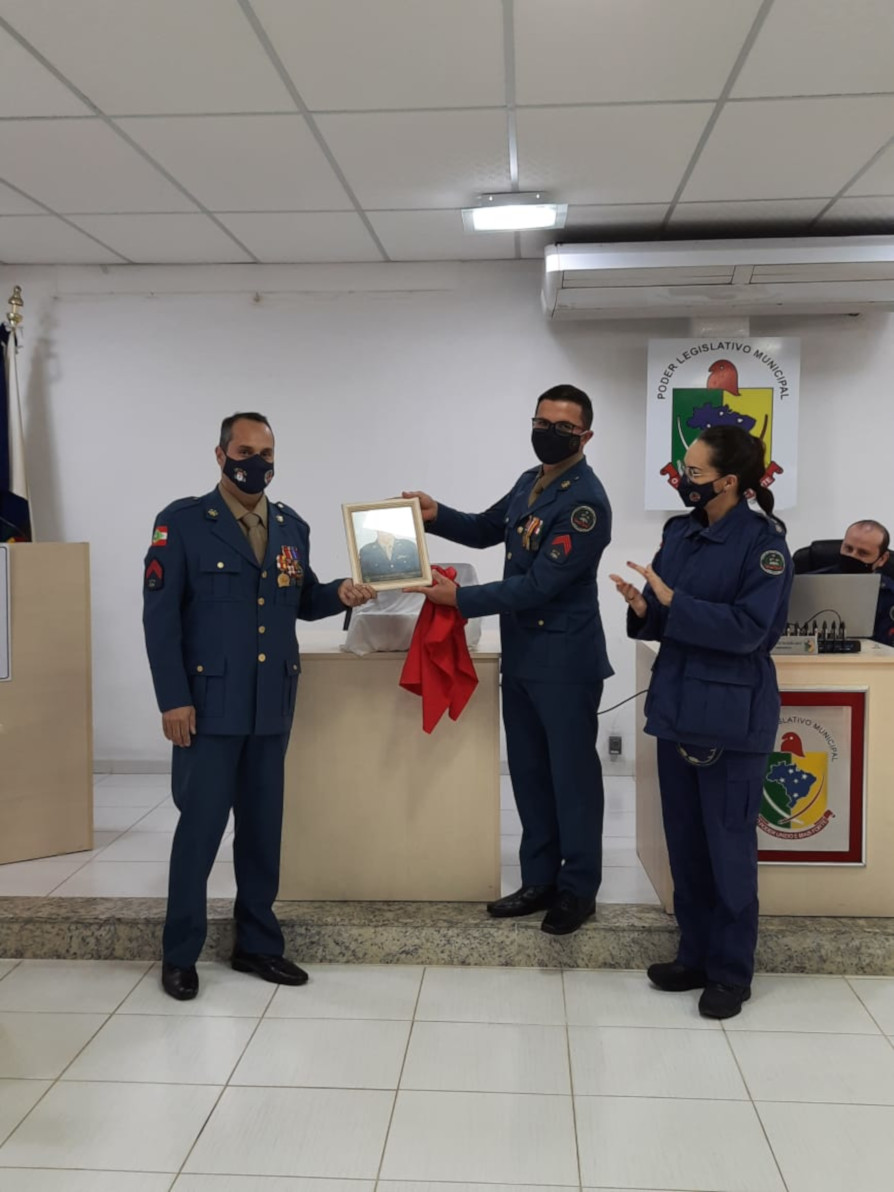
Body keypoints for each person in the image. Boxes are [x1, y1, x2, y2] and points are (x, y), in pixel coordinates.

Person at [143, 412, 374, 1001]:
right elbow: (160, 620)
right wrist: (173, 699)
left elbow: (303, 599)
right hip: (209, 707)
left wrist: (341, 593)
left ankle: (257, 944)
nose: (257, 464)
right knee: (199, 833)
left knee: (262, 832)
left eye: (266, 454)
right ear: (220, 456)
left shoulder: (292, 526)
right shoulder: (183, 523)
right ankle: (180, 953)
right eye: (245, 452)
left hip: (271, 705)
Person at [404, 383, 612, 935]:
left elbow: (540, 584)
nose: (548, 433)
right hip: (522, 655)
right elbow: (484, 528)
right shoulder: (530, 482)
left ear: (586, 436)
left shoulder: (586, 503)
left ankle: (577, 890)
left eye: (563, 428)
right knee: (530, 775)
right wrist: (436, 514)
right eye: (541, 422)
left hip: (565, 661)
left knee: (572, 780)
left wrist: (462, 599)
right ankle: (538, 880)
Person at [611, 426, 792, 1019]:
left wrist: (674, 603)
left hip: (732, 717)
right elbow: (666, 616)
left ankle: (730, 973)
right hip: (678, 706)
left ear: (729, 481)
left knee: (728, 849)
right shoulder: (681, 532)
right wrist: (645, 609)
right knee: (686, 845)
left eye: (694, 473)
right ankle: (693, 955)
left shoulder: (764, 546)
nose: (684, 480)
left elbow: (751, 632)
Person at [808, 520, 894, 645]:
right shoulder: (810, 585)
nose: (853, 556)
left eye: (863, 553)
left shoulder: (890, 594)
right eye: (848, 548)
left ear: (882, 559)